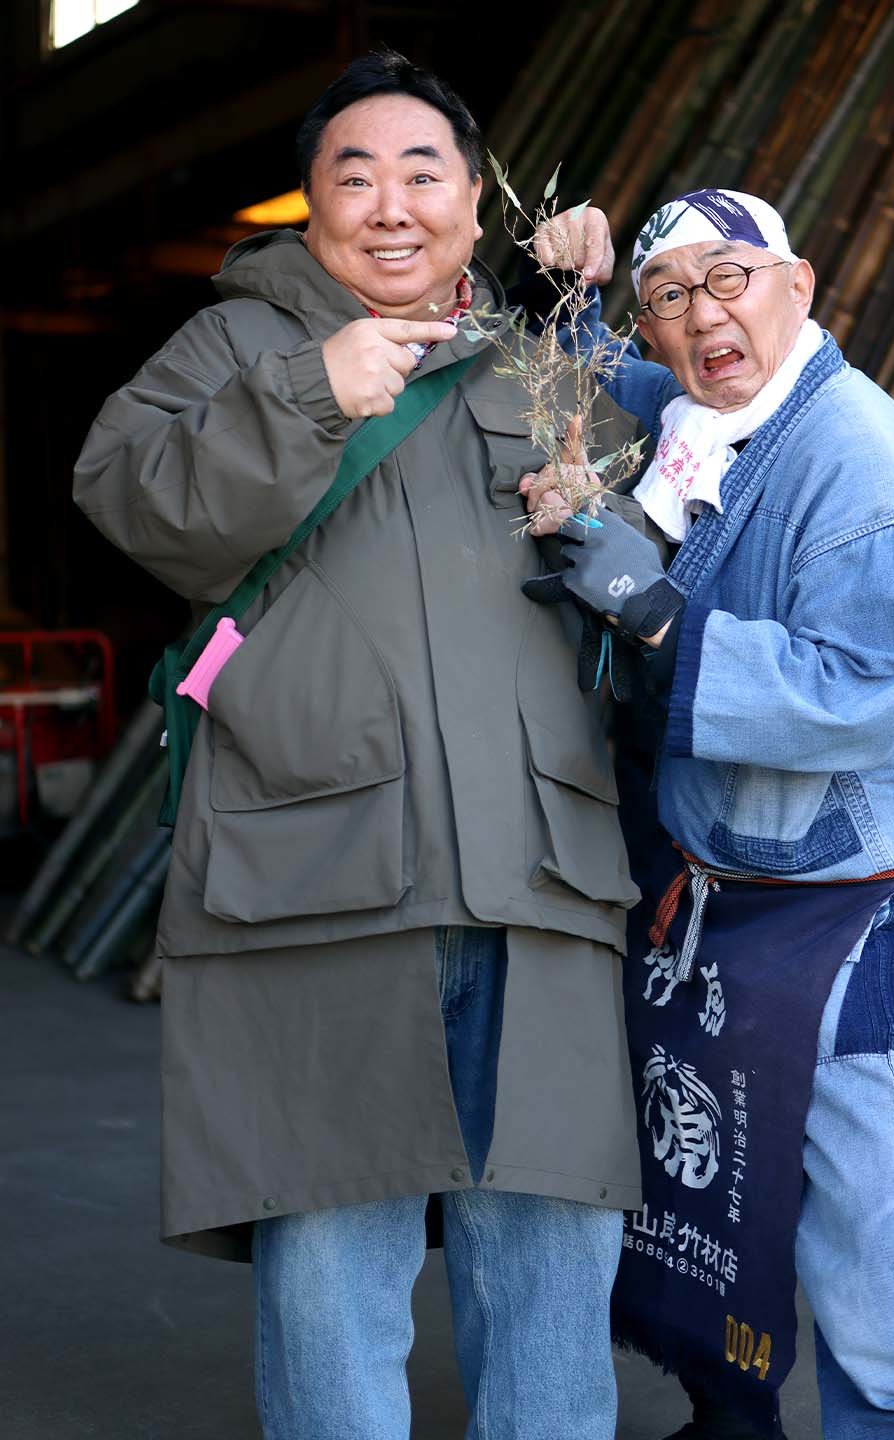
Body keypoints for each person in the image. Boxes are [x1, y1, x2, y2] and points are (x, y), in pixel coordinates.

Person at [73, 51, 649, 1440]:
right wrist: (313, 391)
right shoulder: (235, 345)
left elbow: (660, 528)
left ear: (471, 200)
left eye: (423, 171)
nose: (389, 203)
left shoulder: (538, 353)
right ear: (311, 205)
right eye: (354, 173)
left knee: (555, 1267)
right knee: (335, 1263)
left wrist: (597, 332)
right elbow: (130, 497)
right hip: (319, 879)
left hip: (538, 876)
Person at [520, 190, 894, 1439]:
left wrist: (662, 618)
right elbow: (572, 385)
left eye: (730, 279)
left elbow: (870, 692)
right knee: (714, 1196)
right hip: (713, 890)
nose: (705, 315)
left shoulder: (863, 460)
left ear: (798, 286)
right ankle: (728, 1422)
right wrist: (561, 287)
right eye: (671, 296)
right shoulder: (689, 415)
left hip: (851, 901)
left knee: (874, 1243)